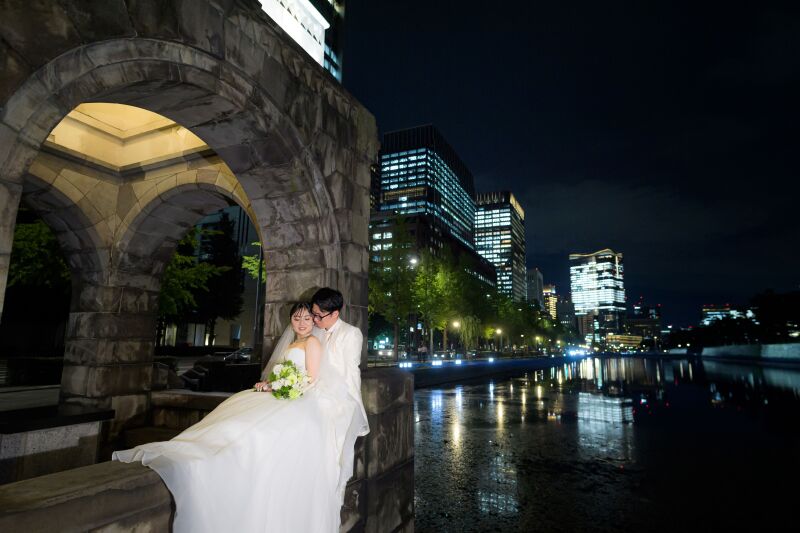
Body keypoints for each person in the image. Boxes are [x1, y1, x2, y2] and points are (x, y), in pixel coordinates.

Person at [113, 290, 368, 533]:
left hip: (316, 395)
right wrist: (272, 383)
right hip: (290, 390)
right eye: (302, 316)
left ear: (333, 314)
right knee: (236, 415)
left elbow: (341, 374)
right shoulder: (305, 337)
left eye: (314, 316)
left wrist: (348, 407)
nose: (308, 320)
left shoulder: (341, 335)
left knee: (265, 432)